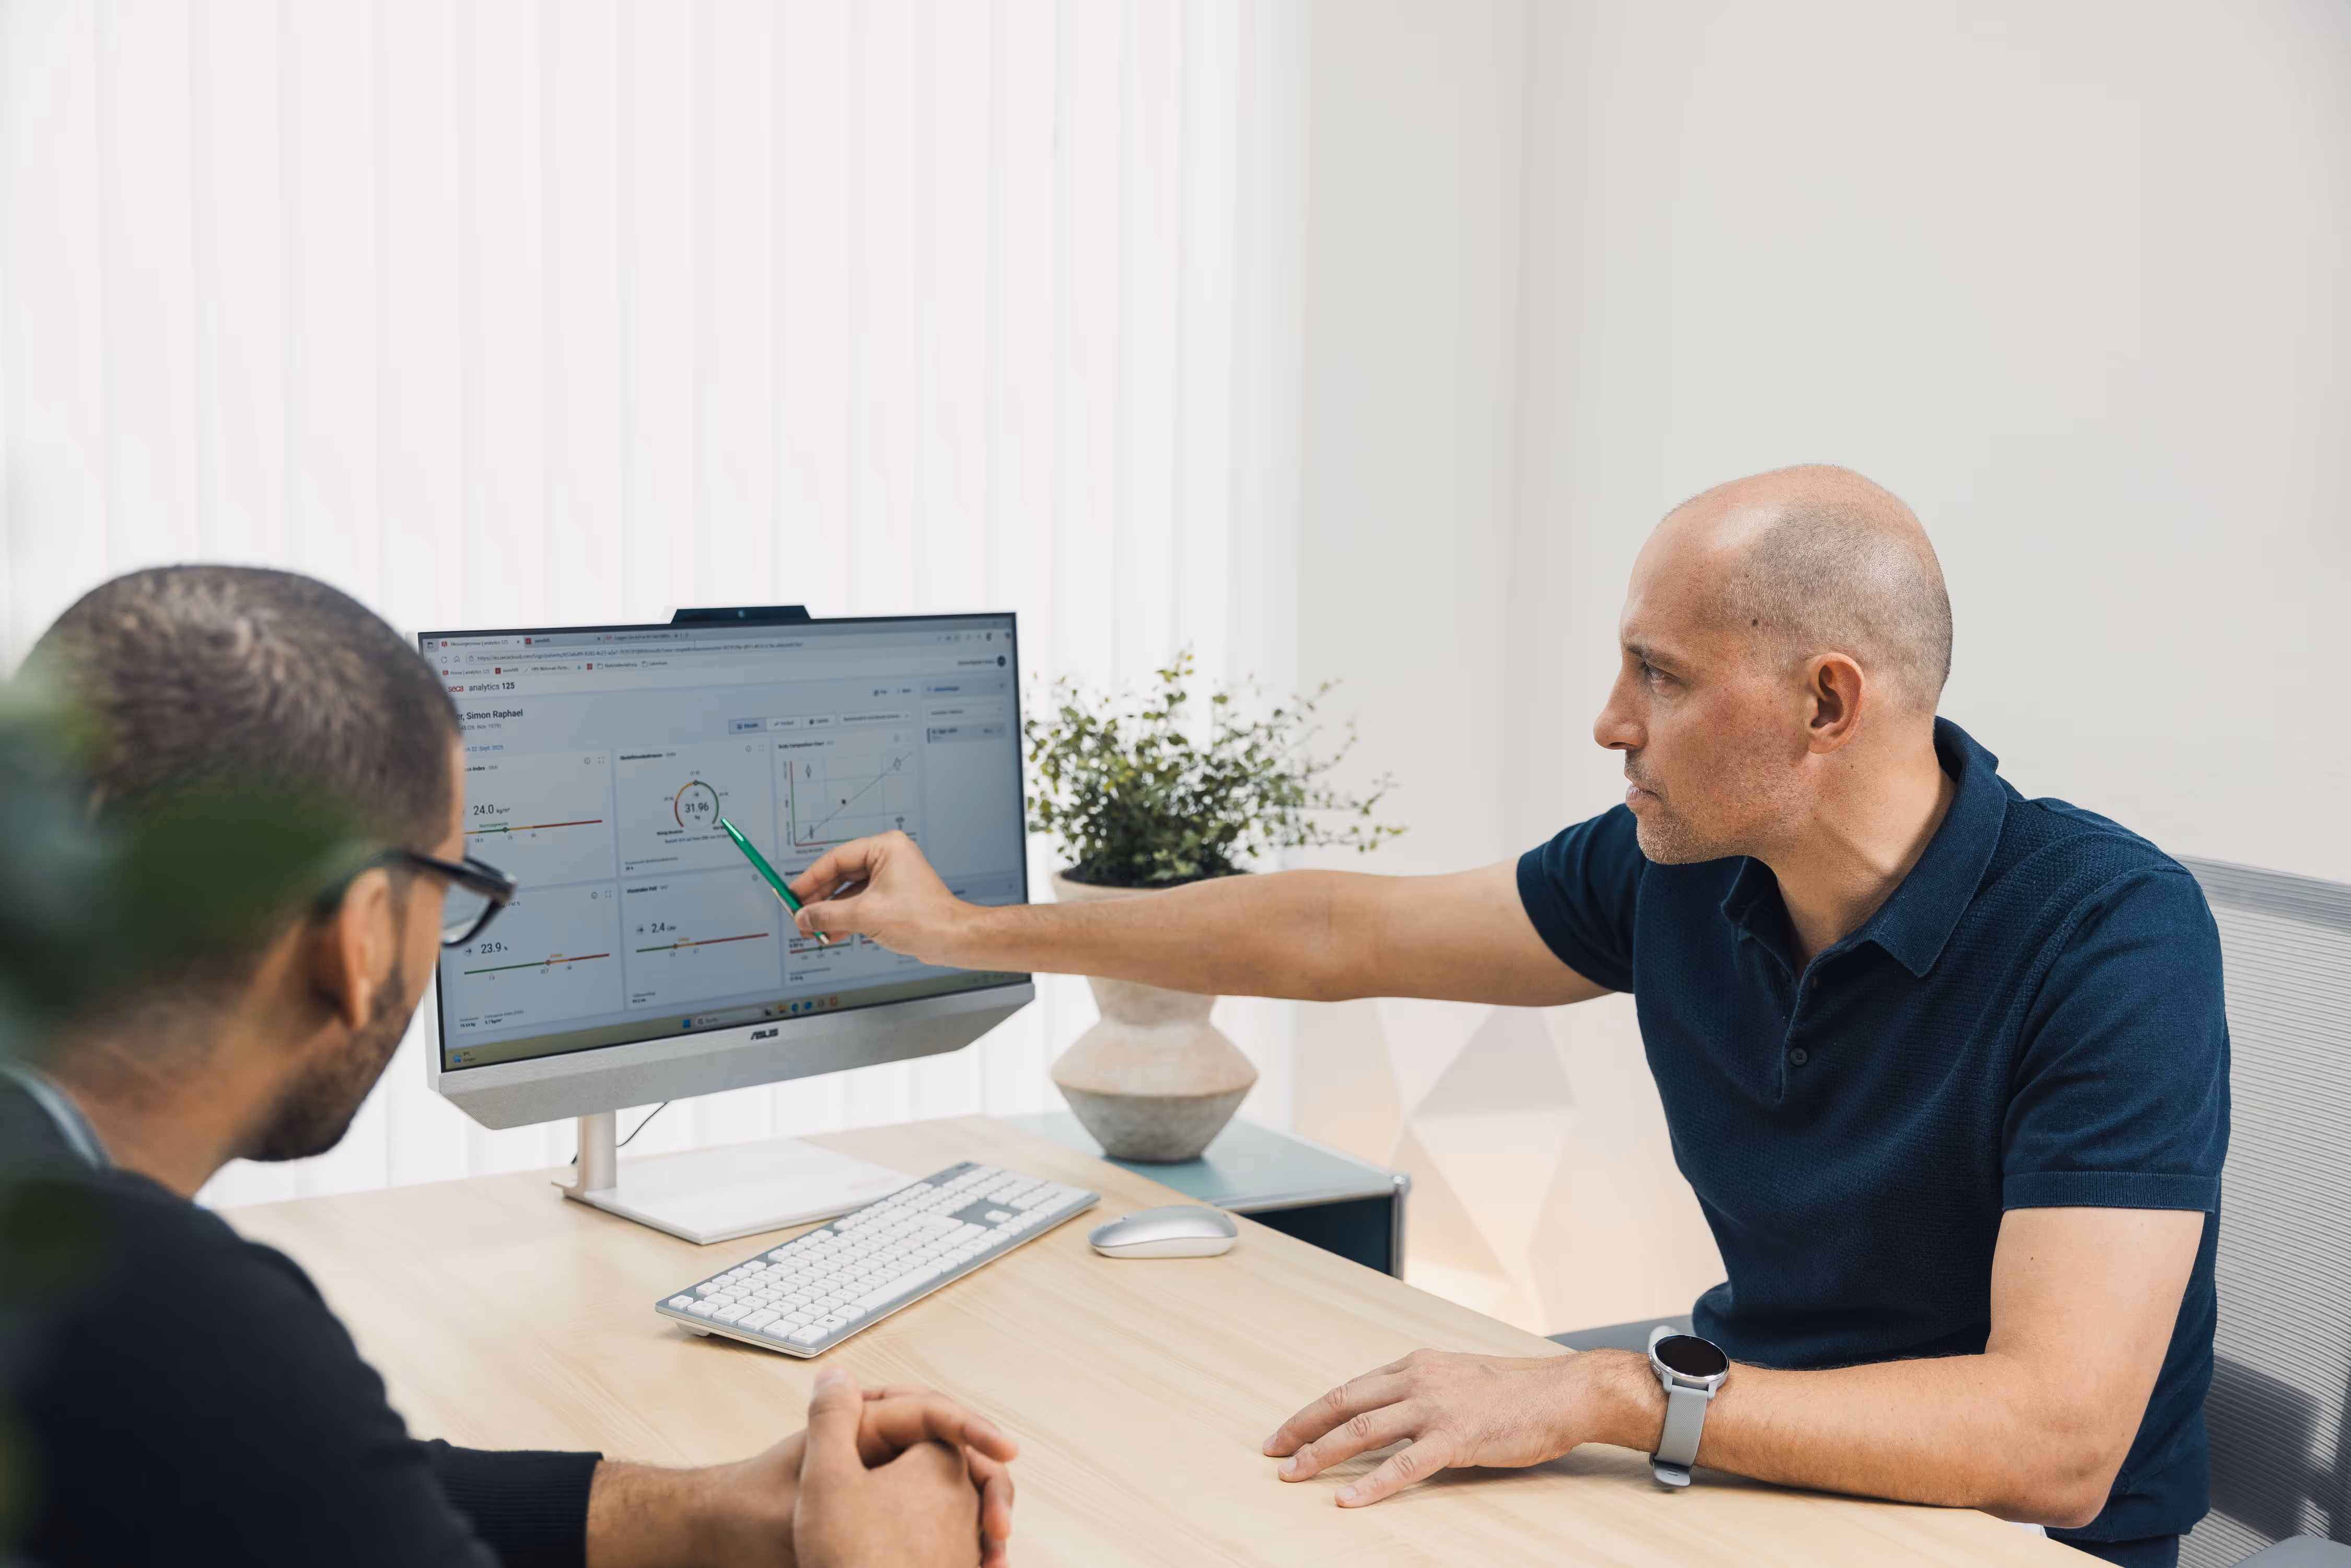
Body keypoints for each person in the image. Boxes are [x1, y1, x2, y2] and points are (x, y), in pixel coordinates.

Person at [782, 466, 2227, 1568]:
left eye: (1657, 676)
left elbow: (2054, 1443)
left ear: (1824, 705)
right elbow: (1338, 929)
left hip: (2002, 1547)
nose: (1610, 722)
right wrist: (971, 928)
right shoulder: (1681, 873)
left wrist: (1604, 1394)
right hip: (1739, 1482)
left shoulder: (2108, 937)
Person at [0, 566, 1016, 1568]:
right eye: (458, 882)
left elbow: (296, 1482)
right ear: (360, 937)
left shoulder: (102, 1314)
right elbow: (269, 1440)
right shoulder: (173, 1318)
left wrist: (711, 1513)